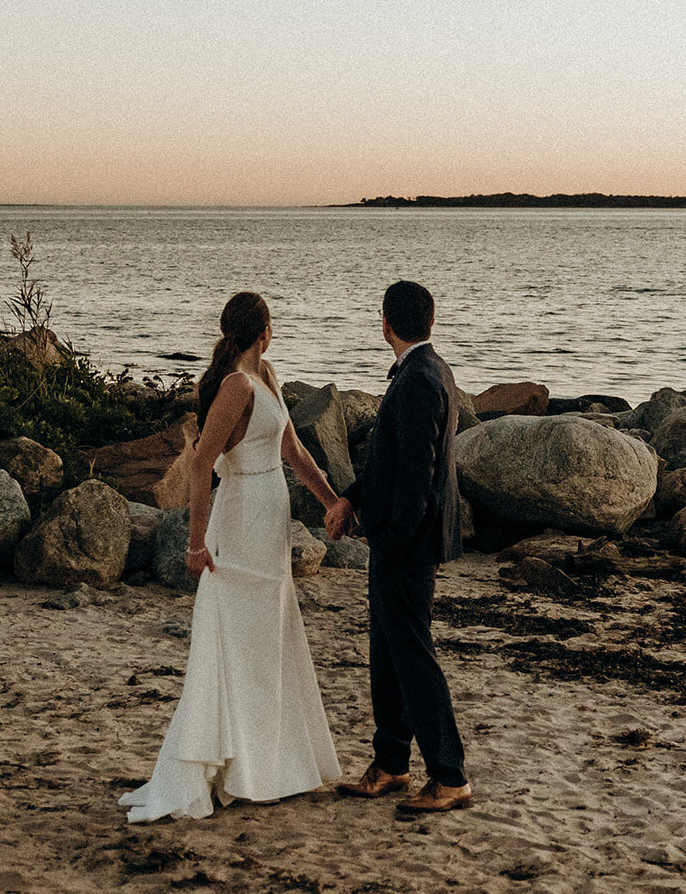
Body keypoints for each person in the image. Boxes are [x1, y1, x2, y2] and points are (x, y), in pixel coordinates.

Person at [121, 291, 347, 822]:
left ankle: (269, 765)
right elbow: (202, 465)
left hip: (271, 523)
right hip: (240, 517)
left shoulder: (267, 374)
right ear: (263, 329)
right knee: (235, 637)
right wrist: (196, 544)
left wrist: (332, 499)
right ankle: (228, 767)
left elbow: (293, 452)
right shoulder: (235, 387)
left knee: (269, 637)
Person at [326, 279, 471, 814]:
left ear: (385, 323)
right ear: (429, 321)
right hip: (405, 537)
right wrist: (351, 498)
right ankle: (391, 763)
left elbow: (416, 476)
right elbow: (389, 463)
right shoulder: (429, 371)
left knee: (411, 655)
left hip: (409, 543)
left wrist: (389, 536)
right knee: (387, 653)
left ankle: (450, 775)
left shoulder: (418, 380)